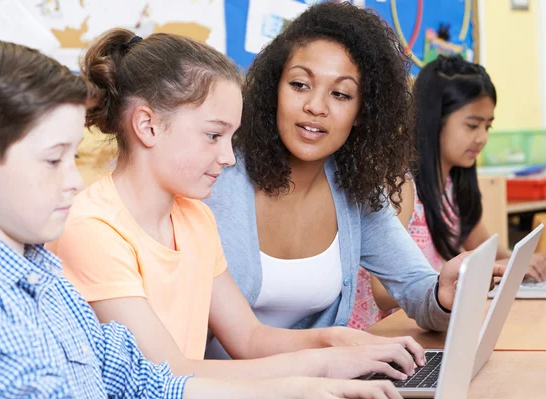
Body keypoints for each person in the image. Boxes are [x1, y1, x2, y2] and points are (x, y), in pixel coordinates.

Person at [0, 38, 402, 399]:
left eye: (73, 158)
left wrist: (309, 377)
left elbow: (142, 381)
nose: (73, 181)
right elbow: (166, 374)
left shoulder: (40, 270)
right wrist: (311, 372)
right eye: (53, 161)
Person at [56, 26, 425, 386]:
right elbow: (167, 376)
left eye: (232, 137)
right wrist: (323, 366)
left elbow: (249, 338)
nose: (229, 158)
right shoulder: (91, 228)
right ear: (148, 126)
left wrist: (335, 340)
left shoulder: (194, 218)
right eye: (214, 135)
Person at [202, 2, 504, 357]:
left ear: (363, 111)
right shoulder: (215, 176)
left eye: (341, 94)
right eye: (300, 85)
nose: (316, 106)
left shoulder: (355, 190)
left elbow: (418, 290)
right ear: (274, 90)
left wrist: (443, 293)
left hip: (317, 384)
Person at [370, 55, 546, 312]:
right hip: (386, 333)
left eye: (488, 126)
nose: (482, 138)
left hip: (425, 325)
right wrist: (458, 276)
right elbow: (383, 291)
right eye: (472, 125)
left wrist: (525, 262)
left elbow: (486, 249)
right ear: (434, 120)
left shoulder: (453, 183)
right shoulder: (401, 184)